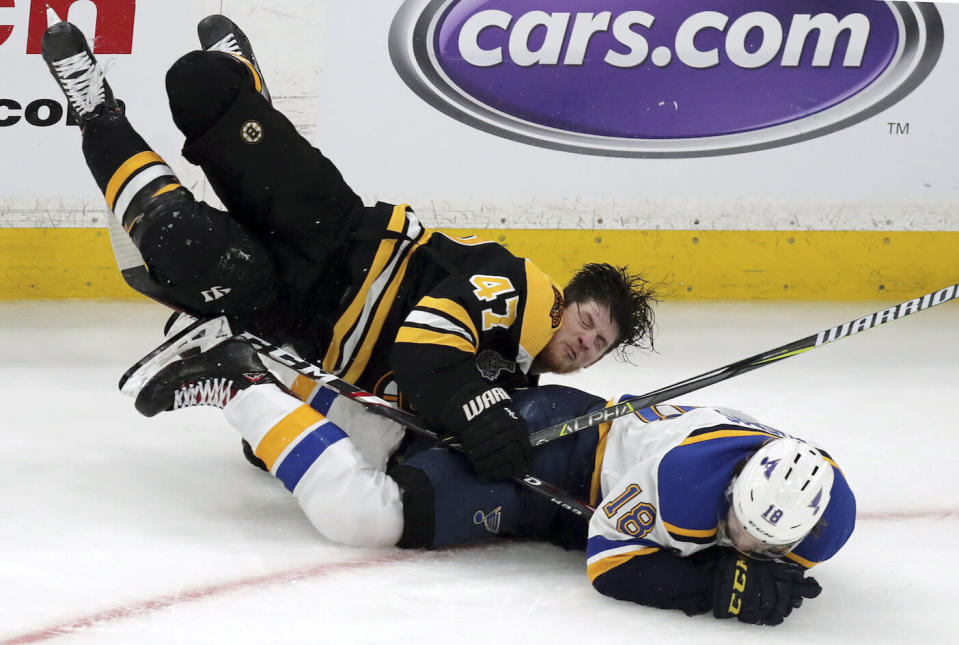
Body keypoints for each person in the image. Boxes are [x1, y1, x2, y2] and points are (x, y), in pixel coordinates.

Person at [41, 17, 656, 482]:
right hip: (338, 238)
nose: (584, 343)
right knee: (198, 84)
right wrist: (477, 412)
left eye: (599, 347)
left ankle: (95, 111)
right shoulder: (529, 295)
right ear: (566, 301)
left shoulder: (524, 394)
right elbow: (427, 341)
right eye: (587, 322)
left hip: (294, 320)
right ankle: (247, 85)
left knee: (177, 238)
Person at [129, 331, 854, 627]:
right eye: (735, 522)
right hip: (559, 448)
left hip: (582, 441)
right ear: (731, 489)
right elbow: (610, 562)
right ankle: (240, 385)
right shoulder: (684, 477)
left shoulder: (823, 516)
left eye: (757, 540)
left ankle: (272, 368)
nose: (740, 539)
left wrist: (737, 562)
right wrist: (716, 588)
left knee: (402, 449)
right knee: (371, 511)